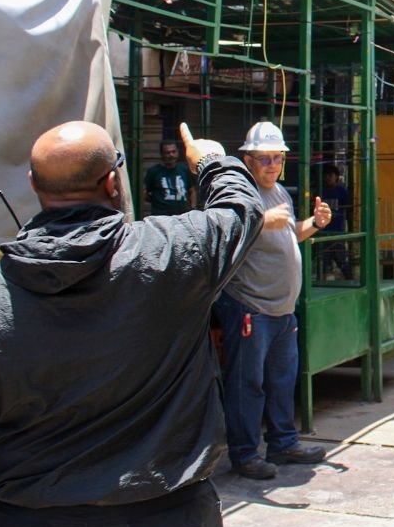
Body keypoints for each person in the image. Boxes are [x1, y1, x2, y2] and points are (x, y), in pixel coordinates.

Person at [0, 121, 263, 527]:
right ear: (111, 182)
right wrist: (212, 161)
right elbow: (241, 209)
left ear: (33, 184)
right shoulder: (172, 254)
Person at [215, 121, 330, 480]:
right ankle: (245, 454)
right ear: (247, 161)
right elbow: (223, 230)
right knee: (247, 385)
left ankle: (283, 443)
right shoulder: (238, 192)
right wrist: (263, 220)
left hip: (282, 310)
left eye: (277, 158)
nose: (272, 166)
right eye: (264, 159)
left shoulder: (280, 192)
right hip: (251, 306)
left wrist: (314, 223)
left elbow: (289, 235)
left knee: (281, 382)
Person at [144, 137, 197, 215]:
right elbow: (146, 194)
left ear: (178, 152)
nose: (171, 155)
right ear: (161, 154)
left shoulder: (185, 169)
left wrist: (193, 208)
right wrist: (158, 201)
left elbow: (192, 191)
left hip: (182, 215)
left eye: (173, 152)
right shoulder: (153, 172)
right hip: (161, 216)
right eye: (167, 153)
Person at [318, 164, 352, 278]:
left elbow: (348, 208)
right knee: (324, 260)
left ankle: (349, 278)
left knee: (341, 259)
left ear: (336, 176)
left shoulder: (341, 191)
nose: (328, 178)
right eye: (326, 175)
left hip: (337, 231)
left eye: (331, 175)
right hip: (324, 231)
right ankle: (325, 279)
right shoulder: (322, 191)